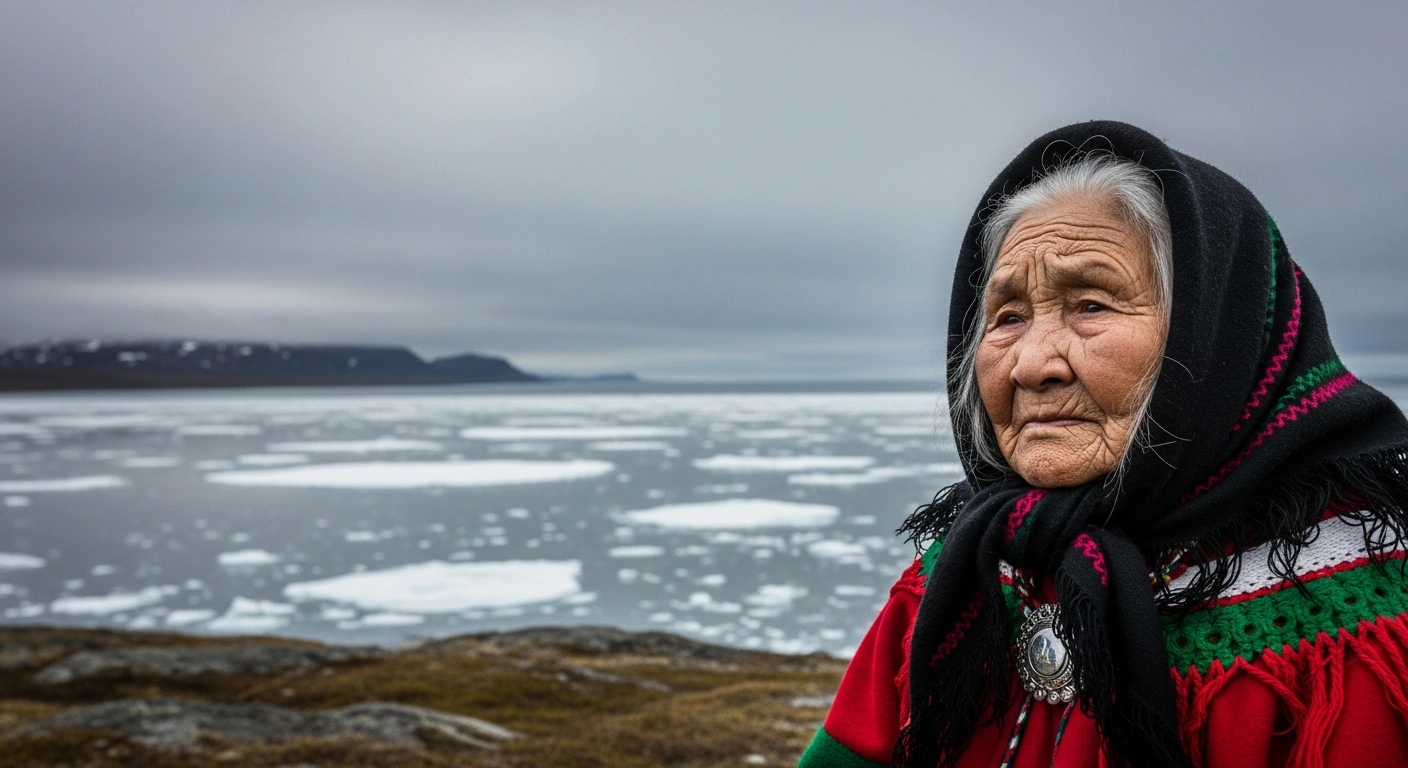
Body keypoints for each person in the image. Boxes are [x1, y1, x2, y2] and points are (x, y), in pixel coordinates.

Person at [798, 121, 1408, 768]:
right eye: (1007, 317)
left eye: (1090, 304)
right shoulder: (961, 577)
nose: (1033, 364)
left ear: (1216, 333)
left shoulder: (1359, 625)